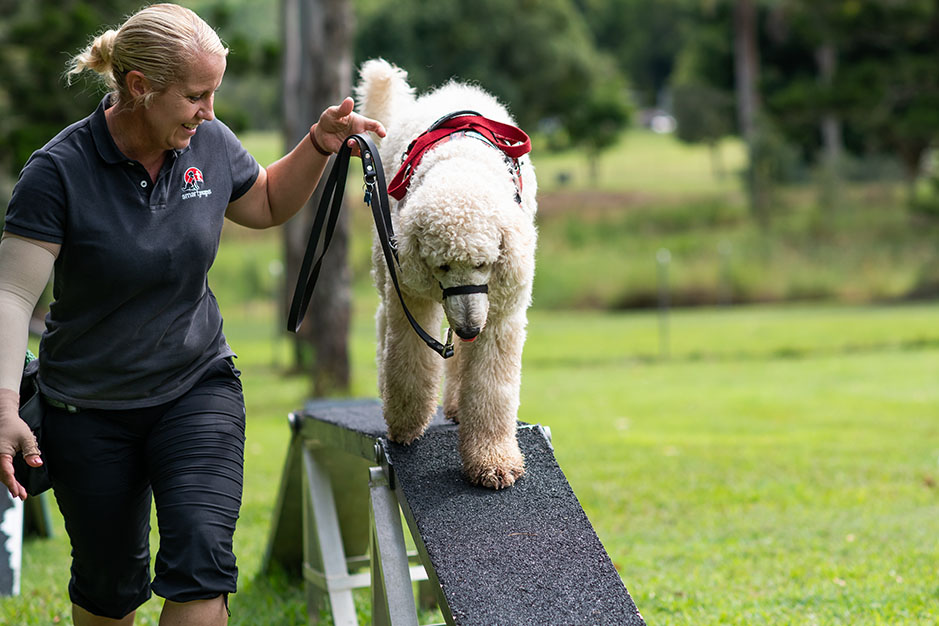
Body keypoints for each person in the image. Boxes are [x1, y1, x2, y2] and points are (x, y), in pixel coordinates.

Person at [0, 4, 384, 625]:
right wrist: (3, 409)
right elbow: (11, 296)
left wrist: (318, 145)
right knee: (108, 588)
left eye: (214, 94)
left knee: (201, 569)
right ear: (138, 87)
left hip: (194, 388)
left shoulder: (207, 141)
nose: (208, 110)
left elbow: (261, 200)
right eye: (196, 95)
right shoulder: (57, 172)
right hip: (87, 406)